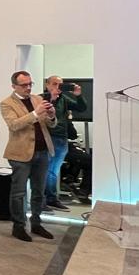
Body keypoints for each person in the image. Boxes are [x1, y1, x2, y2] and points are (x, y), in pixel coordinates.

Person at [1, 70, 57, 241]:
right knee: (19, 193)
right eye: (24, 85)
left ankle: (36, 223)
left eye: (30, 84)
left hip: (42, 151)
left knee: (39, 191)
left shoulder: (37, 99)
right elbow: (14, 125)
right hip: (20, 154)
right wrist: (35, 113)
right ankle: (18, 226)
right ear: (14, 86)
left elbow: (50, 124)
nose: (28, 87)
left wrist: (52, 115)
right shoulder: (7, 103)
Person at [42, 76, 87, 206]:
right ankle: (48, 199)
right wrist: (52, 98)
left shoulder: (64, 99)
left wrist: (78, 95)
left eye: (60, 84)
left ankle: (51, 198)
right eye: (54, 84)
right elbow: (45, 114)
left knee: (54, 170)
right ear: (47, 85)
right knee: (49, 170)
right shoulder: (41, 98)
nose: (58, 87)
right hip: (49, 138)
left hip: (63, 138)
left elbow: (81, 108)